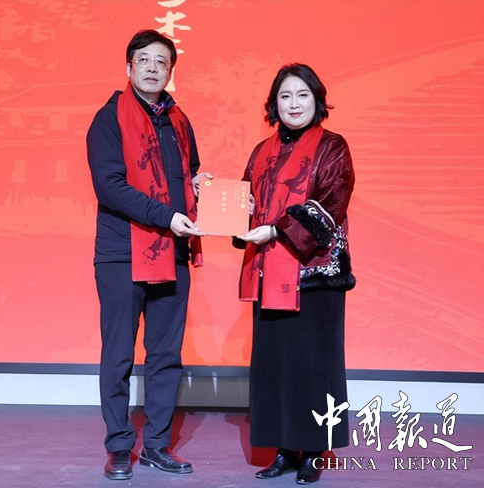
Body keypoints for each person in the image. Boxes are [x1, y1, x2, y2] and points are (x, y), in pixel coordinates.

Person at [87, 29, 209, 480]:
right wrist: (166, 215)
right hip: (121, 253)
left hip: (172, 251)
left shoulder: (179, 120)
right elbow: (110, 187)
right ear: (129, 67)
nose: (153, 68)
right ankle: (120, 445)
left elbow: (189, 173)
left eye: (162, 62)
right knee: (118, 355)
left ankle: (157, 444)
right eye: (145, 60)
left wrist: (200, 188)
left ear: (171, 70)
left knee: (165, 355)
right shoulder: (108, 118)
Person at [235, 63, 356, 485]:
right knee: (275, 365)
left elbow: (332, 200)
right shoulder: (261, 151)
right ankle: (285, 449)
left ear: (317, 100)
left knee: (315, 365)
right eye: (285, 96)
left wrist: (275, 230)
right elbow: (246, 201)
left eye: (302, 95)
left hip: (315, 275)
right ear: (274, 104)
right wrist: (223, 203)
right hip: (269, 273)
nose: (294, 104)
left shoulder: (332, 147)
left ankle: (314, 452)